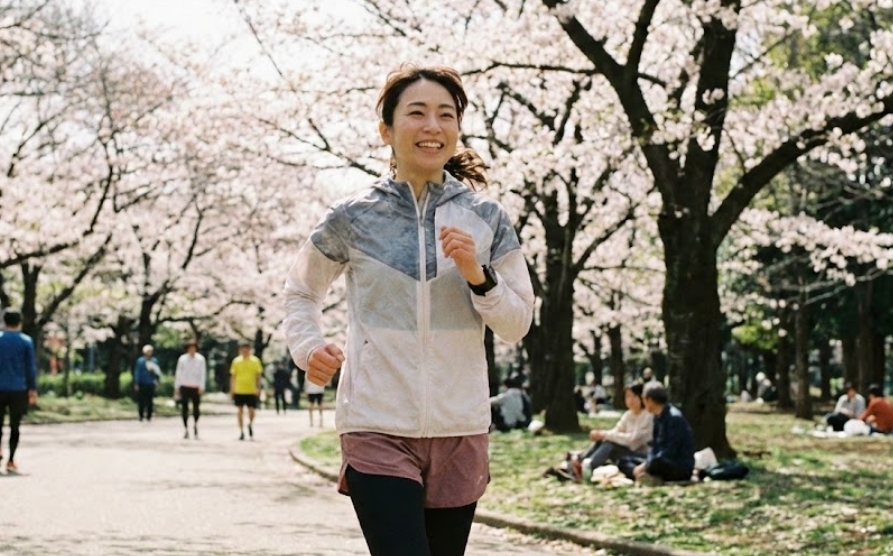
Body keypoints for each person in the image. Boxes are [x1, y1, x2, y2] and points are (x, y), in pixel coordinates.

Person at [283, 64, 534, 556]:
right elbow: (300, 292)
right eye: (416, 113)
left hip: (459, 427)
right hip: (376, 424)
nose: (432, 126)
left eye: (446, 115)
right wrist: (307, 347)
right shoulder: (353, 218)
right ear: (387, 130)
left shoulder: (488, 219)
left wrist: (478, 274)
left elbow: (516, 323)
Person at [547, 382, 653, 482]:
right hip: (626, 450)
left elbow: (633, 441)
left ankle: (584, 469)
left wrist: (606, 435)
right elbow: (616, 431)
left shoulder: (648, 416)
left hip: (639, 455)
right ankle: (574, 467)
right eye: (627, 397)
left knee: (609, 443)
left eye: (633, 396)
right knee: (604, 440)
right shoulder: (628, 415)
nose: (630, 400)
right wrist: (601, 435)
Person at [0, 309, 38, 473]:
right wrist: (32, 388)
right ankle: (11, 459)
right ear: (19, 322)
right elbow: (30, 367)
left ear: (3, 322)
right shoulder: (26, 341)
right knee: (15, 425)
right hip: (19, 388)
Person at [617, 382, 694, 485]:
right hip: (658, 459)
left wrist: (647, 464)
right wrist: (647, 462)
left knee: (655, 464)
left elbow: (670, 451)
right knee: (624, 461)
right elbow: (653, 446)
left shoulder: (674, 418)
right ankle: (642, 475)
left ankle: (645, 475)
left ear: (649, 400)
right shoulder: (656, 417)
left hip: (676, 464)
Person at [229, 343, 263, 440]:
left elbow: (258, 376)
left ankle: (250, 424)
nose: (245, 352)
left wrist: (258, 388)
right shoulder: (236, 361)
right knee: (239, 411)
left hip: (251, 390)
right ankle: (241, 431)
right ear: (240, 350)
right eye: (243, 350)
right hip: (239, 389)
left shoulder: (255, 361)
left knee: (252, 410)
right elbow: (233, 376)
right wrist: (232, 389)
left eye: (247, 350)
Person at [174, 339, 206, 439]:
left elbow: (202, 373)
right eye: (190, 348)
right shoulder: (182, 359)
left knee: (196, 408)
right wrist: (177, 387)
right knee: (184, 408)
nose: (192, 350)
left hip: (195, 386)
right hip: (184, 386)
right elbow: (178, 373)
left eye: (194, 348)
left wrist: (202, 386)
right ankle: (186, 428)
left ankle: (195, 425)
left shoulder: (200, 359)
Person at [133, 345, 161, 421]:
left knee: (150, 400)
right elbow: (137, 372)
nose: (149, 353)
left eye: (150, 351)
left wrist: (157, 382)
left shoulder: (154, 361)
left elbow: (157, 372)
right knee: (141, 400)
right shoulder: (140, 361)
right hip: (142, 383)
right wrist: (136, 383)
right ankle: (141, 415)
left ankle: (149, 415)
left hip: (150, 383)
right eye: (148, 351)